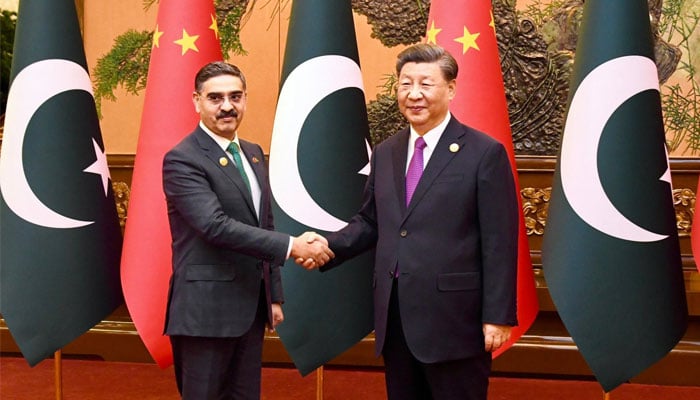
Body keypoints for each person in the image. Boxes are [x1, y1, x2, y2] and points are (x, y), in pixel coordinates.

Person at [302, 44, 519, 400]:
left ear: (450, 89)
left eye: (426, 84)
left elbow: (500, 241)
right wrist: (328, 246)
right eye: (405, 84)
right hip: (396, 317)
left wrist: (497, 315)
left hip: (455, 321)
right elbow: (371, 221)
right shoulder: (387, 151)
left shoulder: (484, 153)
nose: (414, 94)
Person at [162, 61, 333, 400]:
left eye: (235, 96)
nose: (227, 106)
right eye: (215, 98)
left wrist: (274, 294)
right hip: (205, 312)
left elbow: (263, 222)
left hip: (249, 307)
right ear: (196, 101)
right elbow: (214, 226)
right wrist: (292, 247)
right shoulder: (182, 159)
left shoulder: (253, 153)